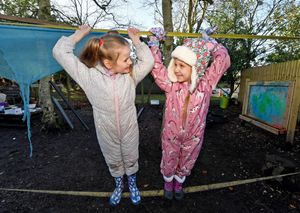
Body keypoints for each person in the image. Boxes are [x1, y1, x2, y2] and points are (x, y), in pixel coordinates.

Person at [52, 25, 154, 206]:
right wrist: (79, 35)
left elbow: (148, 62)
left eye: (130, 57)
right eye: (126, 59)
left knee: (131, 155)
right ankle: (118, 184)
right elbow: (60, 52)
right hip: (105, 129)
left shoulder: (130, 75)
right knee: (113, 157)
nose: (130, 62)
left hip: (129, 126)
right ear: (108, 63)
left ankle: (132, 182)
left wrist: (137, 42)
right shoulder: (88, 77)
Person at [149, 30, 231, 200]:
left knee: (187, 160)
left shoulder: (205, 85)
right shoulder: (171, 86)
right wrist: (155, 45)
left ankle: (179, 183)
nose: (177, 70)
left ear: (195, 68)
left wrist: (213, 44)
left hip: (193, 136)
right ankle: (168, 182)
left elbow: (222, 61)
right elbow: (156, 68)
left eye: (182, 66)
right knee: (169, 157)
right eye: (175, 64)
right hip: (171, 135)